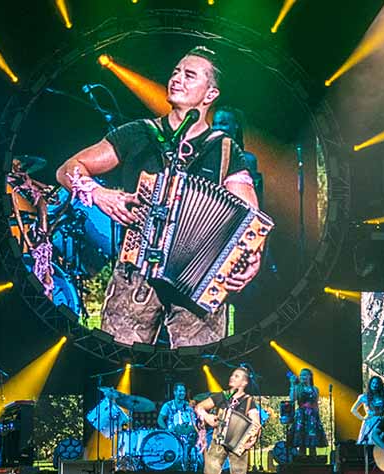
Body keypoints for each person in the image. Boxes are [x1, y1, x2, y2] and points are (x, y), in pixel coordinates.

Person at [56, 46, 261, 348]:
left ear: (210, 95)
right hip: (135, 272)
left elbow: (251, 220)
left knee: (198, 374)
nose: (176, 79)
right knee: (120, 367)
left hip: (199, 283)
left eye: (189, 75)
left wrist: (250, 260)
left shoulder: (225, 150)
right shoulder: (139, 133)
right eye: (176, 72)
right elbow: (67, 169)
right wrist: (100, 194)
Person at [190, 367, 261, 474]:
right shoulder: (222, 396)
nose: (232, 378)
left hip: (238, 446)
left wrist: (252, 439)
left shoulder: (249, 401)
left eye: (236, 376)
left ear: (244, 382)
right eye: (232, 375)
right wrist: (207, 417)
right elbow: (199, 407)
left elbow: (255, 423)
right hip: (218, 442)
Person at [212, 106, 263, 207]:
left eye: (223, 124)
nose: (217, 128)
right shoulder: (205, 156)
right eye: (214, 124)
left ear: (235, 126)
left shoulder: (247, 159)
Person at [288, 369, 327, 457]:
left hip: (312, 416)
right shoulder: (298, 388)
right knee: (302, 442)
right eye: (301, 375)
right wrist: (292, 384)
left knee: (312, 442)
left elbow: (316, 403)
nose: (302, 377)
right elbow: (292, 399)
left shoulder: (315, 389)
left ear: (310, 376)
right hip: (301, 415)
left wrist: (317, 417)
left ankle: (314, 463)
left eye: (305, 375)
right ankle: (302, 462)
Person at [351, 376, 384, 445]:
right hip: (369, 422)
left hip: (380, 421)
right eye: (373, 383)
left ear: (380, 385)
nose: (374, 385)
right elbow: (353, 409)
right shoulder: (364, 397)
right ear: (370, 384)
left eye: (377, 383)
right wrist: (362, 418)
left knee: (380, 443)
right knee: (368, 442)